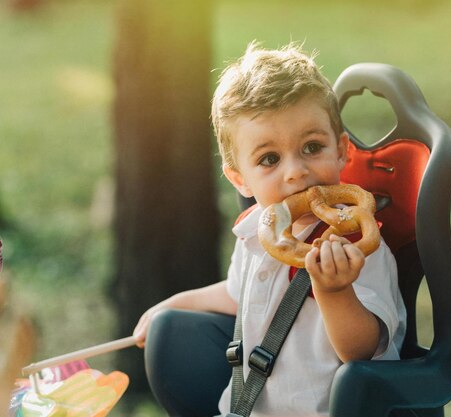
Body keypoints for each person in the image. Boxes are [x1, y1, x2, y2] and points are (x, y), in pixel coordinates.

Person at [133, 41, 406, 417]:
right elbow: (237, 294)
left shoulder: (354, 244)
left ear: (342, 150)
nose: (295, 171)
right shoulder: (252, 236)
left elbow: (361, 351)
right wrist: (171, 304)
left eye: (312, 147)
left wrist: (335, 290)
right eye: (269, 159)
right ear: (240, 179)